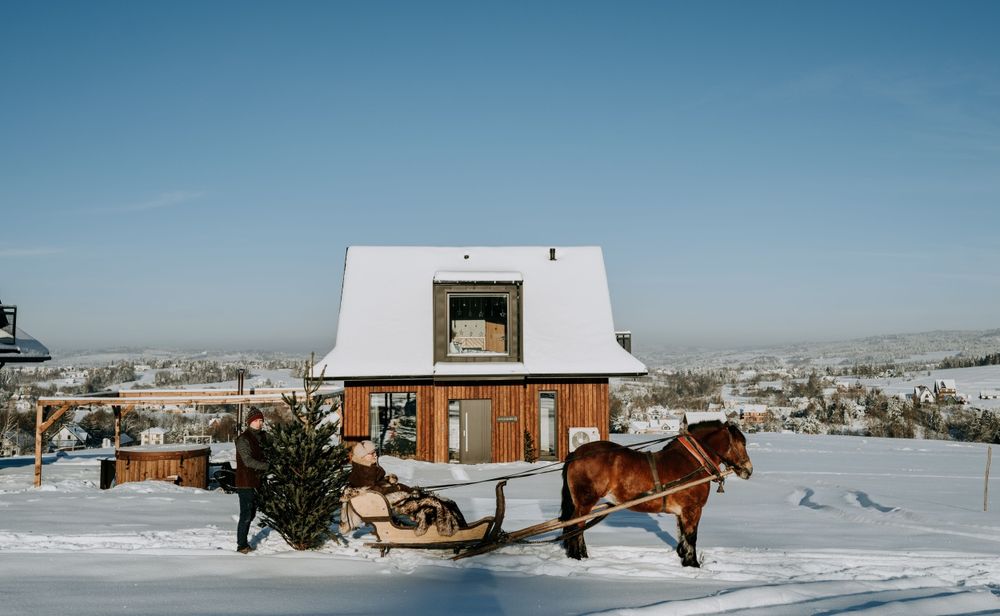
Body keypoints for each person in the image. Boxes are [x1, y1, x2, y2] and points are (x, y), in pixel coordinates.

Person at [342, 440, 467, 537]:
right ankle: (447, 530)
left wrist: (393, 484)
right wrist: (397, 488)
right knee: (434, 504)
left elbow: (377, 485)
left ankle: (458, 528)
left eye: (375, 452)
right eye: (372, 453)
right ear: (363, 456)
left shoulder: (367, 469)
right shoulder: (363, 472)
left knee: (444, 502)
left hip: (390, 500)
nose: (375, 455)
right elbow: (375, 491)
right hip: (390, 504)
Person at [235, 407, 268, 553]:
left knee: (252, 513)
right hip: (245, 482)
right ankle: (241, 545)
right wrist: (268, 466)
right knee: (246, 514)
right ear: (250, 422)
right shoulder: (243, 439)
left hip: (258, 481)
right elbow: (247, 461)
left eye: (261, 420)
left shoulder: (263, 437)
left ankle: (243, 541)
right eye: (257, 421)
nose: (260, 423)